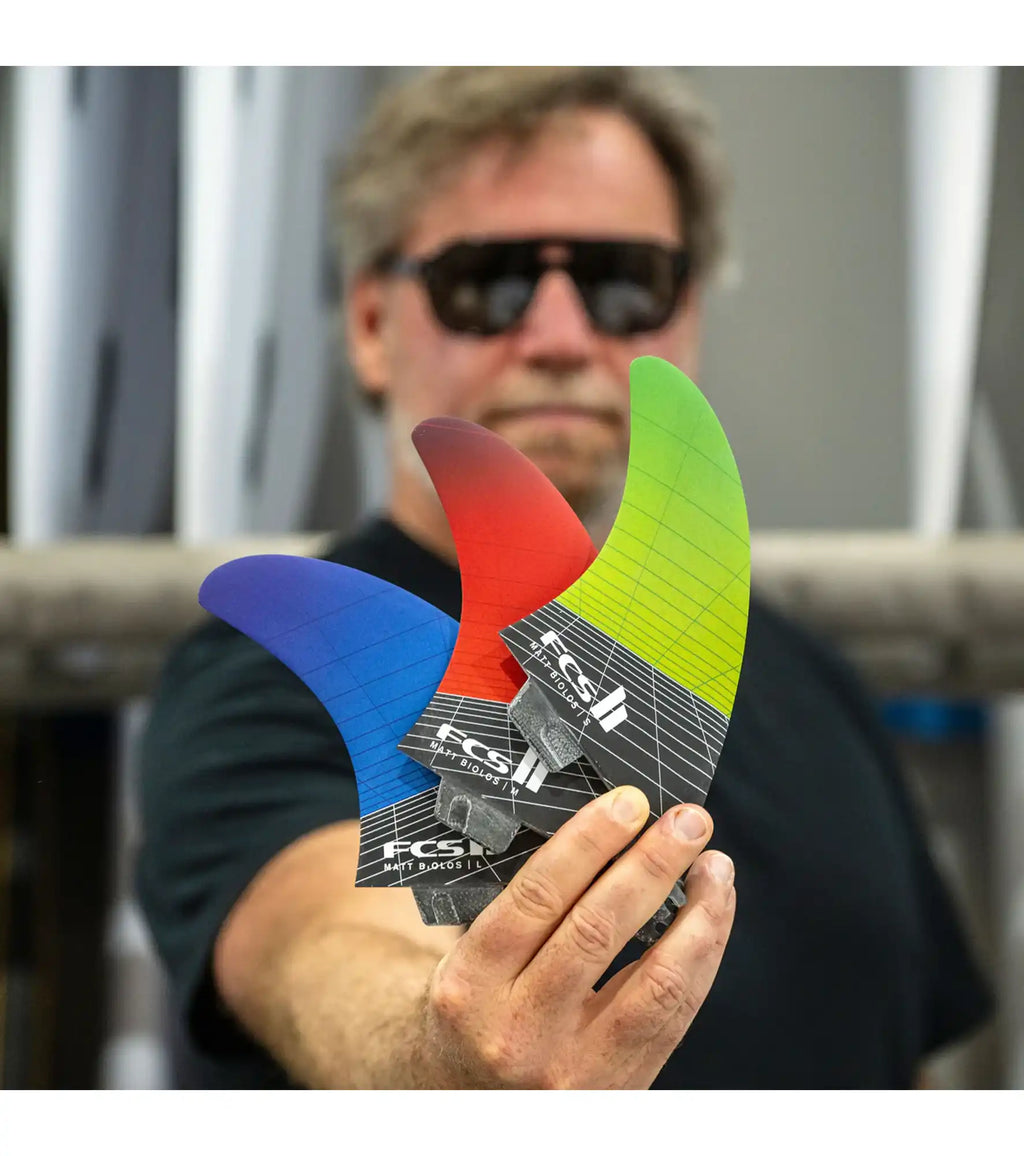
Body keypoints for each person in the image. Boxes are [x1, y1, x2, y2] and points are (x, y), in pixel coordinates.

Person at [136, 66, 991, 1089]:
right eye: (487, 282)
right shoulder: (268, 674)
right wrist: (437, 1053)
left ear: (685, 315)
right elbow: (315, 939)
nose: (560, 338)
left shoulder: (815, 681)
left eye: (623, 281)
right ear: (370, 325)